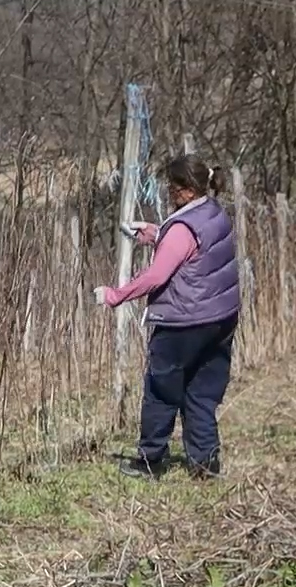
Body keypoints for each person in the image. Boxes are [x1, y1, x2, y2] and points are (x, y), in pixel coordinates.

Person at [95, 154, 241, 480]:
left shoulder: (181, 229)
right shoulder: (214, 213)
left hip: (183, 323)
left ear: (184, 190)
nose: (166, 191)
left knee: (162, 391)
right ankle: (205, 466)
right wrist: (153, 234)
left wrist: (115, 296)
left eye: (170, 187)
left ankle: (150, 462)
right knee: (202, 393)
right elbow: (193, 249)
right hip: (220, 319)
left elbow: (157, 276)